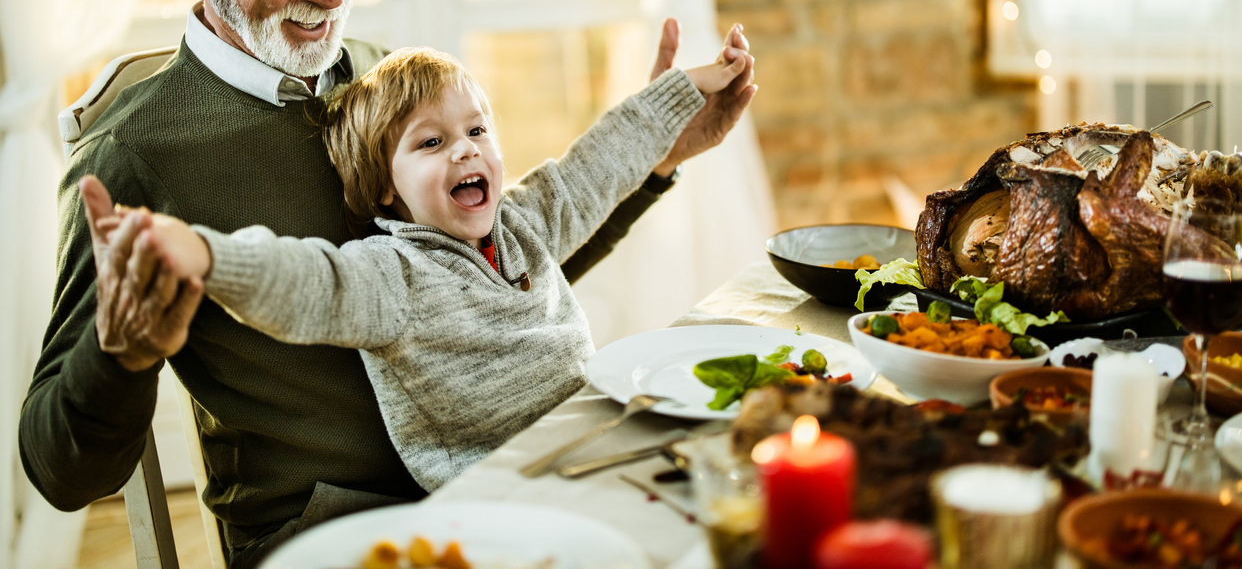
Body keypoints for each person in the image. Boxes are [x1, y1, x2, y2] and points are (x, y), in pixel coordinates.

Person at [19, 0, 755, 568]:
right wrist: (121, 356)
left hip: (508, 474)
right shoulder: (134, 153)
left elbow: (486, 277)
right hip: (338, 532)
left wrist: (657, 156)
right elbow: (62, 471)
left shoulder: (381, 78)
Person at [80, 42, 746, 492]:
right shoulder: (390, 277)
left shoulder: (525, 221)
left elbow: (597, 164)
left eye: (477, 131)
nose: (464, 151)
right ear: (382, 189)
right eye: (431, 142)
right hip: (501, 500)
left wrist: (680, 92)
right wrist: (204, 252)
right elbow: (306, 282)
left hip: (596, 452)